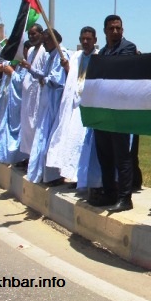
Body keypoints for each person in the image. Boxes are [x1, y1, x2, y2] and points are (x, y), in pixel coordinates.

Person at [47, 27, 101, 193]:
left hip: (89, 107)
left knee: (84, 145)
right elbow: (74, 78)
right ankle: (75, 177)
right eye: (83, 39)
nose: (85, 42)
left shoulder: (99, 57)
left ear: (95, 40)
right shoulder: (77, 56)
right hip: (75, 107)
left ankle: (85, 179)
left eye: (88, 39)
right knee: (73, 142)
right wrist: (66, 68)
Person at [93, 15, 138, 212]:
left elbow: (117, 69)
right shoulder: (103, 52)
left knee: (122, 156)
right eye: (111, 28)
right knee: (105, 154)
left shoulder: (127, 48)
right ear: (105, 30)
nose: (115, 31)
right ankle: (109, 192)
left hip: (120, 111)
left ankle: (125, 198)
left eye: (118, 28)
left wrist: (102, 67)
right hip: (104, 111)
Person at [26, 29, 68, 184]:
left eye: (45, 41)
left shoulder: (62, 55)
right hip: (48, 103)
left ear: (53, 40)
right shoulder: (51, 56)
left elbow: (58, 79)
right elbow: (44, 75)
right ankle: (45, 174)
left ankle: (55, 176)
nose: (43, 45)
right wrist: (30, 68)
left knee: (53, 142)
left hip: (56, 104)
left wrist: (46, 80)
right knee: (43, 140)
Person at [0, 41, 31, 165]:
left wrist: (12, 73)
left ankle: (16, 157)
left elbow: (22, 82)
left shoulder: (26, 65)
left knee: (16, 131)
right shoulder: (11, 62)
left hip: (17, 103)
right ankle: (3, 155)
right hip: (6, 101)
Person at [18, 24, 46, 160]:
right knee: (27, 127)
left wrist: (30, 68)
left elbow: (44, 74)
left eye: (34, 34)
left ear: (41, 34)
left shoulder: (45, 51)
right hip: (28, 95)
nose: (31, 36)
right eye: (29, 34)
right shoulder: (30, 51)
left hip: (38, 94)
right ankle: (28, 158)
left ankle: (35, 159)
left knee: (36, 126)